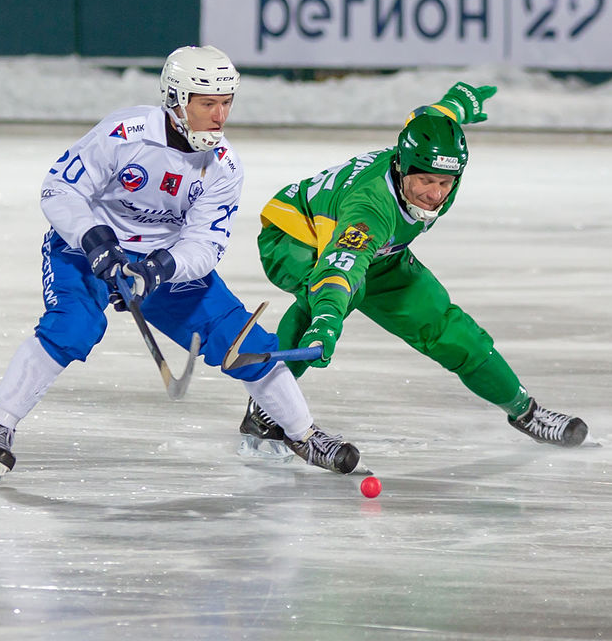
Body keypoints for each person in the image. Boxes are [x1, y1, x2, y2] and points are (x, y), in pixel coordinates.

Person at [0, 46, 359, 484]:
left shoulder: (224, 167)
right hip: (85, 248)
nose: (220, 116)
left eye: (226, 103)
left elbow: (205, 245)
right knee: (74, 327)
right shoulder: (123, 134)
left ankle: (303, 434)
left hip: (161, 262)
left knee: (241, 338)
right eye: (207, 103)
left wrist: (158, 268)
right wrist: (95, 240)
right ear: (175, 100)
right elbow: (60, 189)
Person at [239, 83, 588, 454]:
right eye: (424, 180)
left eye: (444, 182)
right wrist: (326, 319)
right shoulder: (371, 208)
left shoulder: (429, 153)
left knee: (447, 327)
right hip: (295, 237)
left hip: (379, 251)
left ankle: (526, 412)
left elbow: (429, 117)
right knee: (334, 296)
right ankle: (267, 408)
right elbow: (339, 269)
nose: (435, 194)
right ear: (402, 167)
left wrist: (456, 104)